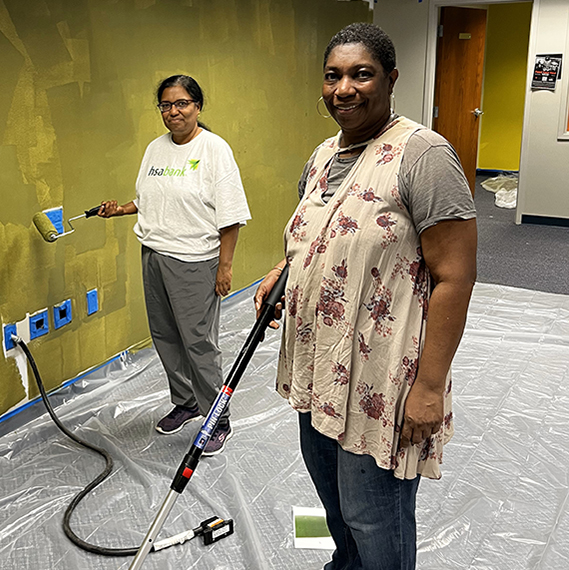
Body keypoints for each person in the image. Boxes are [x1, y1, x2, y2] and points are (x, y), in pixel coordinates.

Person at [254, 23, 477, 569]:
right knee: (335, 506)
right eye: (333, 76)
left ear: (391, 79)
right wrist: (284, 269)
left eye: (361, 74)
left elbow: (455, 276)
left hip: (382, 379)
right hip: (319, 369)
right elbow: (320, 231)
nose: (344, 88)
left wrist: (428, 389)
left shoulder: (422, 154)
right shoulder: (323, 155)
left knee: (374, 516)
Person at [98, 75, 251, 456]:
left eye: (181, 103)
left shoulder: (215, 150)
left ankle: (218, 417)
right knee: (165, 334)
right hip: (153, 254)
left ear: (197, 106)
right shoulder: (155, 149)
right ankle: (185, 402)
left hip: (195, 261)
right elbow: (148, 199)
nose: (173, 112)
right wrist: (121, 210)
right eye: (166, 105)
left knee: (198, 343)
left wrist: (225, 267)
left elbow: (230, 216)